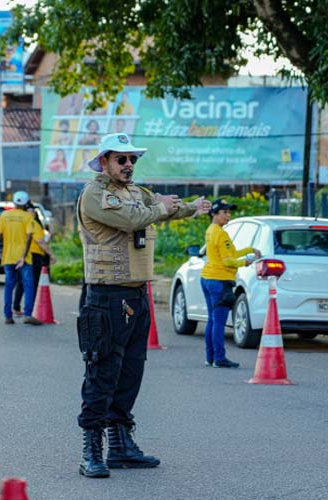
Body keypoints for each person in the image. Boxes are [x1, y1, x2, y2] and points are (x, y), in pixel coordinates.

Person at [76, 133, 210, 478]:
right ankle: (92, 449)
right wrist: (161, 207)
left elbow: (163, 209)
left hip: (137, 294)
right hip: (106, 296)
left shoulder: (137, 193)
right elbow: (134, 219)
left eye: (132, 159)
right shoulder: (96, 194)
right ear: (104, 161)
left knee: (131, 372)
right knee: (103, 372)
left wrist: (193, 207)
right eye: (121, 159)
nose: (129, 165)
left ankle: (120, 444)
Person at [200, 199, 261, 368]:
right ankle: (219, 358)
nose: (228, 215)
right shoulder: (221, 233)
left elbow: (230, 253)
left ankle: (210, 357)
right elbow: (228, 261)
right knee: (219, 321)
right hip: (219, 280)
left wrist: (249, 250)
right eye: (224, 212)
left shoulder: (211, 230)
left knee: (212, 320)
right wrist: (245, 262)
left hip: (207, 278)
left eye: (229, 212)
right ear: (214, 214)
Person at [0, 191, 40, 326]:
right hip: (24, 258)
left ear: (14, 202)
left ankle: (8, 316)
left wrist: (8, 241)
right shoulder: (28, 217)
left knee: (9, 286)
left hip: (8, 256)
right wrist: (23, 256)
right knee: (28, 285)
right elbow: (29, 237)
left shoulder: (4, 215)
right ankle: (27, 314)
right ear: (26, 203)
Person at [12, 201, 57, 316]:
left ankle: (17, 307)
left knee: (21, 282)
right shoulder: (33, 224)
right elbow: (40, 241)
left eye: (33, 212)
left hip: (21, 255)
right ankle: (30, 310)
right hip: (33, 256)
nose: (32, 214)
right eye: (30, 212)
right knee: (32, 283)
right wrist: (51, 254)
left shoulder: (20, 223)